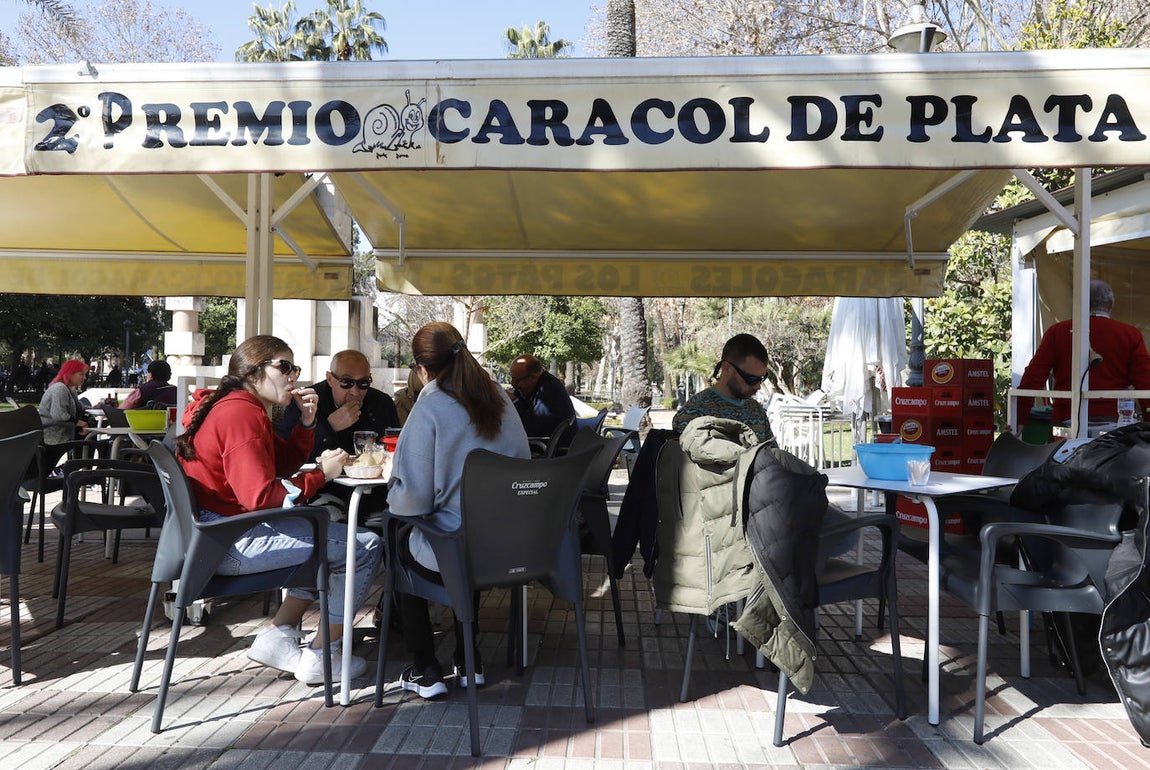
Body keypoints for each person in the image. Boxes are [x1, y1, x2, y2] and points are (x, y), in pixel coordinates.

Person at [175, 335, 381, 685]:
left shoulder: (233, 405)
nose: (293, 376)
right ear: (253, 372)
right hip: (230, 543)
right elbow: (262, 496)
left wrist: (306, 425)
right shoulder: (242, 414)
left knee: (327, 538)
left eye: (294, 368)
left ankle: (279, 635)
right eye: (284, 367)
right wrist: (320, 475)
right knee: (364, 546)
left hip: (215, 537)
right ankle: (324, 657)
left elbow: (277, 465)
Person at [387, 322, 530, 699]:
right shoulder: (501, 397)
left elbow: (410, 501)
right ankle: (470, 659)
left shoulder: (430, 404)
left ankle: (426, 669)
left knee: (399, 538)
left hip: (457, 549)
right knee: (466, 524)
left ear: (421, 369)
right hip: (508, 547)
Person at [1018, 279, 1150, 425]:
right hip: (1114, 420)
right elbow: (1145, 382)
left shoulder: (1057, 332)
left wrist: (1019, 419)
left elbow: (1033, 377)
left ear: (1080, 303)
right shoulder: (1130, 334)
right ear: (1111, 305)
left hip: (1067, 419)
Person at [277, 349, 399, 461]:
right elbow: (287, 455)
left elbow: (396, 447)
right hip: (324, 481)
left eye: (363, 383)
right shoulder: (304, 402)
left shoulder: (382, 403)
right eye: (346, 382)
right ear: (330, 379)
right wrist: (330, 426)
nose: (355, 392)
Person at [673, 333, 776, 445]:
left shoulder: (756, 410)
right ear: (726, 368)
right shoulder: (693, 413)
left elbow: (772, 456)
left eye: (762, 378)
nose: (758, 386)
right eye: (751, 379)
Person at [507, 353, 575, 438]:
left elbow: (530, 429)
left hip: (550, 448)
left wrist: (515, 401)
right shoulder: (525, 388)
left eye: (517, 380)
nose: (513, 384)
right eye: (512, 378)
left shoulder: (550, 391)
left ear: (533, 376)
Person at [38, 359, 90, 448]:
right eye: (81, 374)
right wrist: (82, 423)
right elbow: (59, 415)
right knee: (90, 437)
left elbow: (78, 407)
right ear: (70, 374)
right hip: (54, 436)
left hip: (65, 431)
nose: (84, 378)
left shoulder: (70, 389)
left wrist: (94, 407)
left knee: (91, 433)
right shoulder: (60, 388)